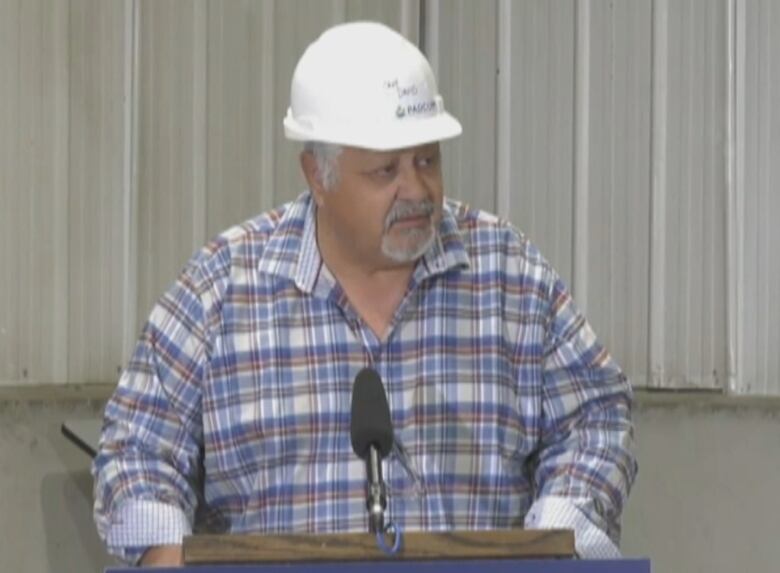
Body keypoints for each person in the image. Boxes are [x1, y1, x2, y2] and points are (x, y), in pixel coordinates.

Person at [93, 21, 637, 566]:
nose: (417, 190)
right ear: (317, 175)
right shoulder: (222, 291)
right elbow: (137, 448)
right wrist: (164, 553)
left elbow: (595, 417)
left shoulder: (509, 276)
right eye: (385, 171)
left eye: (427, 161)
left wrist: (554, 541)